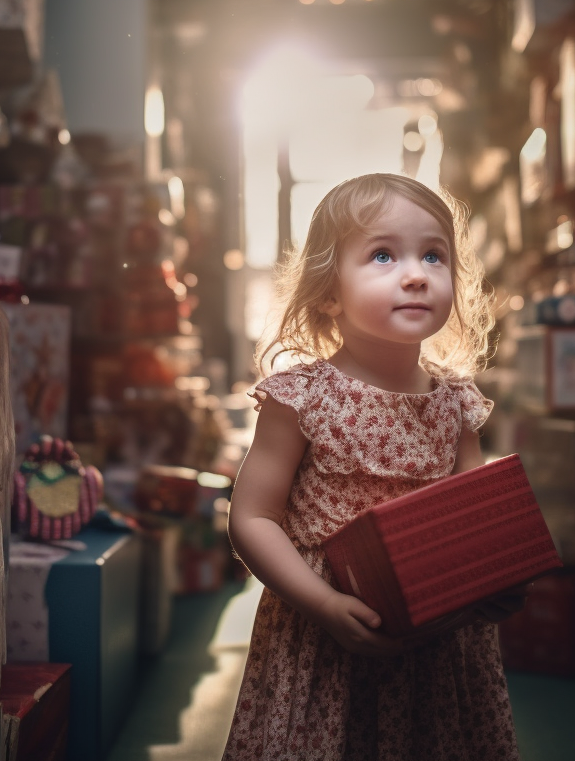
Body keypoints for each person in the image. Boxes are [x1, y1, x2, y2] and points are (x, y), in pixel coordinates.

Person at [224, 173, 525, 760]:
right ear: (329, 292)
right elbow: (253, 518)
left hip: (438, 647)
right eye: (382, 255)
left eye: (434, 255)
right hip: (324, 636)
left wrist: (497, 581)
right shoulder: (301, 397)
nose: (415, 273)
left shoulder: (457, 404)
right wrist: (324, 605)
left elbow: (477, 527)